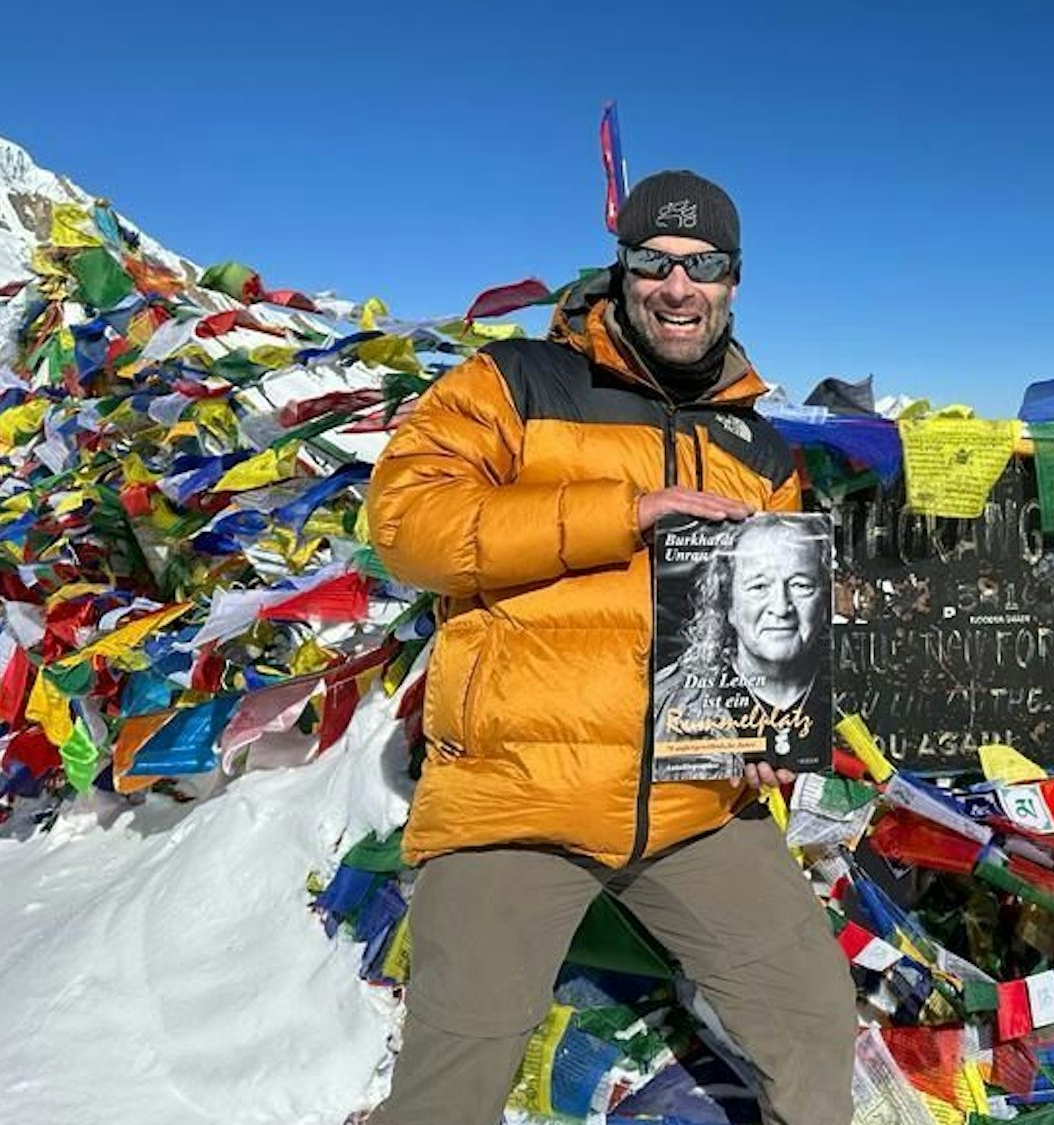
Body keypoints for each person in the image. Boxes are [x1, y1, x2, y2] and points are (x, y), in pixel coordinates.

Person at [364, 171, 856, 1125]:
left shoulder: (758, 446)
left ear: (733, 280)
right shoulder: (513, 382)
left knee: (813, 1017)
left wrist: (767, 722)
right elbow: (407, 525)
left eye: (702, 265)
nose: (679, 287)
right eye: (656, 264)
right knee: (449, 1088)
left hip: (693, 800)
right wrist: (626, 513)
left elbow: (763, 620)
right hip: (517, 791)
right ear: (623, 272)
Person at [651, 516, 830, 778]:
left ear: (825, 601)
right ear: (727, 604)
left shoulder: (858, 696)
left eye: (801, 585)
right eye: (759, 586)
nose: (781, 608)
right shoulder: (666, 703)